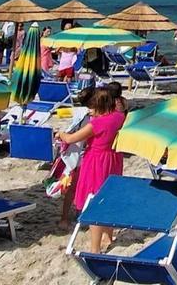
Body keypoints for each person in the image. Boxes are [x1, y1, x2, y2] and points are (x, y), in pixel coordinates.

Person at [56, 89, 125, 253]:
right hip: (113, 159)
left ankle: (95, 249)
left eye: (92, 107)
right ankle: (108, 236)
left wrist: (61, 133)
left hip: (96, 161)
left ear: (99, 106)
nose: (90, 111)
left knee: (94, 202)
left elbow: (72, 138)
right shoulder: (119, 117)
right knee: (108, 198)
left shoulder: (96, 123)